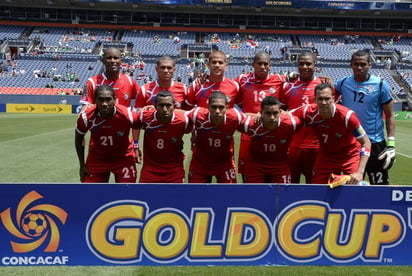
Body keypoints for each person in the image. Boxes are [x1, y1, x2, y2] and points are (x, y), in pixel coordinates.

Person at [334, 50, 395, 185]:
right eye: (356, 64)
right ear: (351, 65)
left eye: (363, 64)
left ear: (370, 65)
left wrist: (391, 144)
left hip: (375, 143)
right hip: (351, 143)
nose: (359, 68)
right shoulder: (342, 83)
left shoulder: (380, 85)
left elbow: (390, 115)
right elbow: (325, 95)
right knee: (351, 186)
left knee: (379, 188)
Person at [292, 83, 371, 185]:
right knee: (317, 187)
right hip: (326, 156)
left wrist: (360, 173)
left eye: (327, 98)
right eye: (320, 99)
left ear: (333, 99)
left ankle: (359, 184)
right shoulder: (308, 111)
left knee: (355, 186)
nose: (323, 102)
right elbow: (286, 116)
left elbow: (366, 142)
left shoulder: (347, 116)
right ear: (315, 99)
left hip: (349, 155)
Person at [234, 51, 287, 181]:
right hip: (249, 135)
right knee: (248, 176)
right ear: (253, 64)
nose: (262, 67)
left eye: (265, 64)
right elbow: (229, 91)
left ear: (270, 65)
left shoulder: (280, 80)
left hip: (273, 134)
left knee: (274, 176)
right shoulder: (242, 80)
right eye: (259, 63)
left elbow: (285, 106)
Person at [75, 85, 139, 183]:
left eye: (108, 99)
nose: (104, 104)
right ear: (95, 100)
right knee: (91, 193)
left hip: (123, 158)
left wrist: (136, 146)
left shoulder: (127, 115)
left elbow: (140, 126)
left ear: (115, 100)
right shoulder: (86, 117)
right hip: (97, 158)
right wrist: (82, 165)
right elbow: (79, 138)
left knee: (127, 191)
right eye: (100, 100)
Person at [277, 51, 324, 184]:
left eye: (308, 64)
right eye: (301, 64)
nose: (304, 67)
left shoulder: (323, 86)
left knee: (314, 185)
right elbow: (282, 112)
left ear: (315, 65)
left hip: (316, 146)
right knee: (291, 186)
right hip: (291, 145)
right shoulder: (287, 86)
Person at [239, 96, 303, 183]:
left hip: (280, 166)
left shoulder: (291, 124)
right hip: (256, 165)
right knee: (254, 195)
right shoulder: (250, 124)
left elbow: (309, 119)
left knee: (283, 195)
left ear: (280, 112)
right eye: (268, 113)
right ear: (261, 113)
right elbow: (235, 117)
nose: (272, 117)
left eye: (275, 113)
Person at [187, 91, 245, 183]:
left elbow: (250, 119)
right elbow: (180, 115)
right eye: (214, 107)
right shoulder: (197, 114)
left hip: (225, 163)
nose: (217, 111)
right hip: (200, 163)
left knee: (229, 194)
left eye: (221, 107)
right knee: (196, 195)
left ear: (227, 107)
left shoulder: (236, 116)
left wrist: (259, 115)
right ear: (208, 107)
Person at [136, 90, 192, 183]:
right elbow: (134, 125)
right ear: (155, 106)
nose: (165, 109)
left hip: (174, 170)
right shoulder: (145, 117)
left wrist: (193, 137)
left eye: (168, 105)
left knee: (176, 197)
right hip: (150, 169)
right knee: (143, 196)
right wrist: (135, 145)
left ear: (174, 106)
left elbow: (196, 122)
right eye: (161, 105)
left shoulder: (183, 120)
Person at [79, 47, 141, 112]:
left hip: (123, 121)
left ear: (121, 61)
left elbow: (142, 100)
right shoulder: (92, 82)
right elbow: (85, 107)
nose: (112, 61)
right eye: (108, 58)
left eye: (116, 58)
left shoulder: (130, 81)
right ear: (103, 61)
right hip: (100, 121)